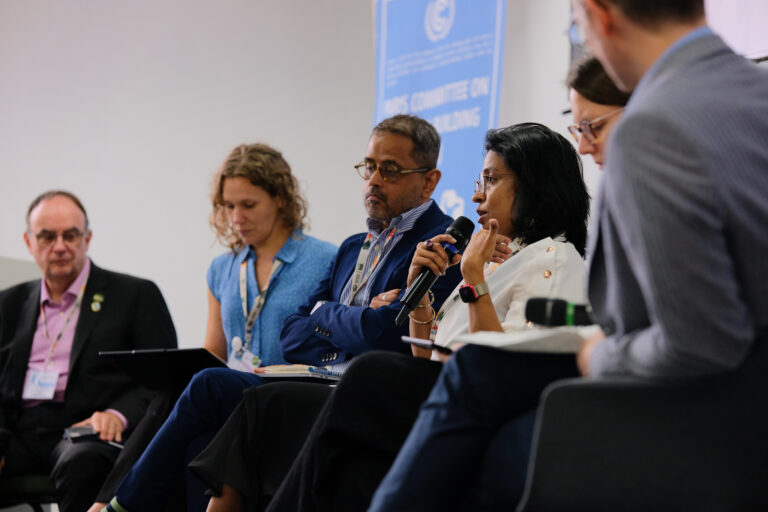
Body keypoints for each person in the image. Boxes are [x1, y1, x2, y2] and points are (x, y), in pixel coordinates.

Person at [368, 1, 768, 509]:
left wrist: (596, 351)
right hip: (740, 401)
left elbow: (700, 342)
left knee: (470, 425)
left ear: (600, 16)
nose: (582, 149)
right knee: (468, 377)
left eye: (591, 129)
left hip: (712, 419)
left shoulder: (654, 129)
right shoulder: (754, 94)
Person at [190, 121, 591, 512]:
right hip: (441, 398)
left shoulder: (551, 261)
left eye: (491, 180)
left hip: (471, 411)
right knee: (271, 405)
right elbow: (427, 360)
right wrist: (420, 300)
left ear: (534, 188)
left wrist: (471, 280)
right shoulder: (496, 259)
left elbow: (505, 371)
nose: (476, 197)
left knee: (370, 372)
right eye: (478, 181)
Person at [102, 114, 462, 512]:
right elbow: (292, 334)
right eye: (369, 166)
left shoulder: (440, 246)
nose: (373, 180)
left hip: (357, 399)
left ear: (429, 180)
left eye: (390, 170)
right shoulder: (352, 247)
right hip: (310, 382)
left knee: (206, 386)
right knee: (198, 441)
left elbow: (384, 334)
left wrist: (325, 314)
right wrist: (344, 319)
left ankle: (118, 507)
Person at [87, 143, 337, 511]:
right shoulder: (222, 268)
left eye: (248, 205)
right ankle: (111, 502)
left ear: (281, 198)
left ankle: (111, 504)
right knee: (190, 423)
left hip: (286, 399)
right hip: (233, 400)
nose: (236, 217)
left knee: (200, 393)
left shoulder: (325, 260)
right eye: (228, 205)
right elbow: (214, 352)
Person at [0, 190, 177, 512]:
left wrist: (117, 415)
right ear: (28, 242)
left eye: (70, 235)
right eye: (46, 236)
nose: (59, 247)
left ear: (87, 238)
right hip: (19, 430)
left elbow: (164, 380)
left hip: (85, 431)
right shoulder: (8, 304)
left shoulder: (135, 295)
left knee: (84, 460)